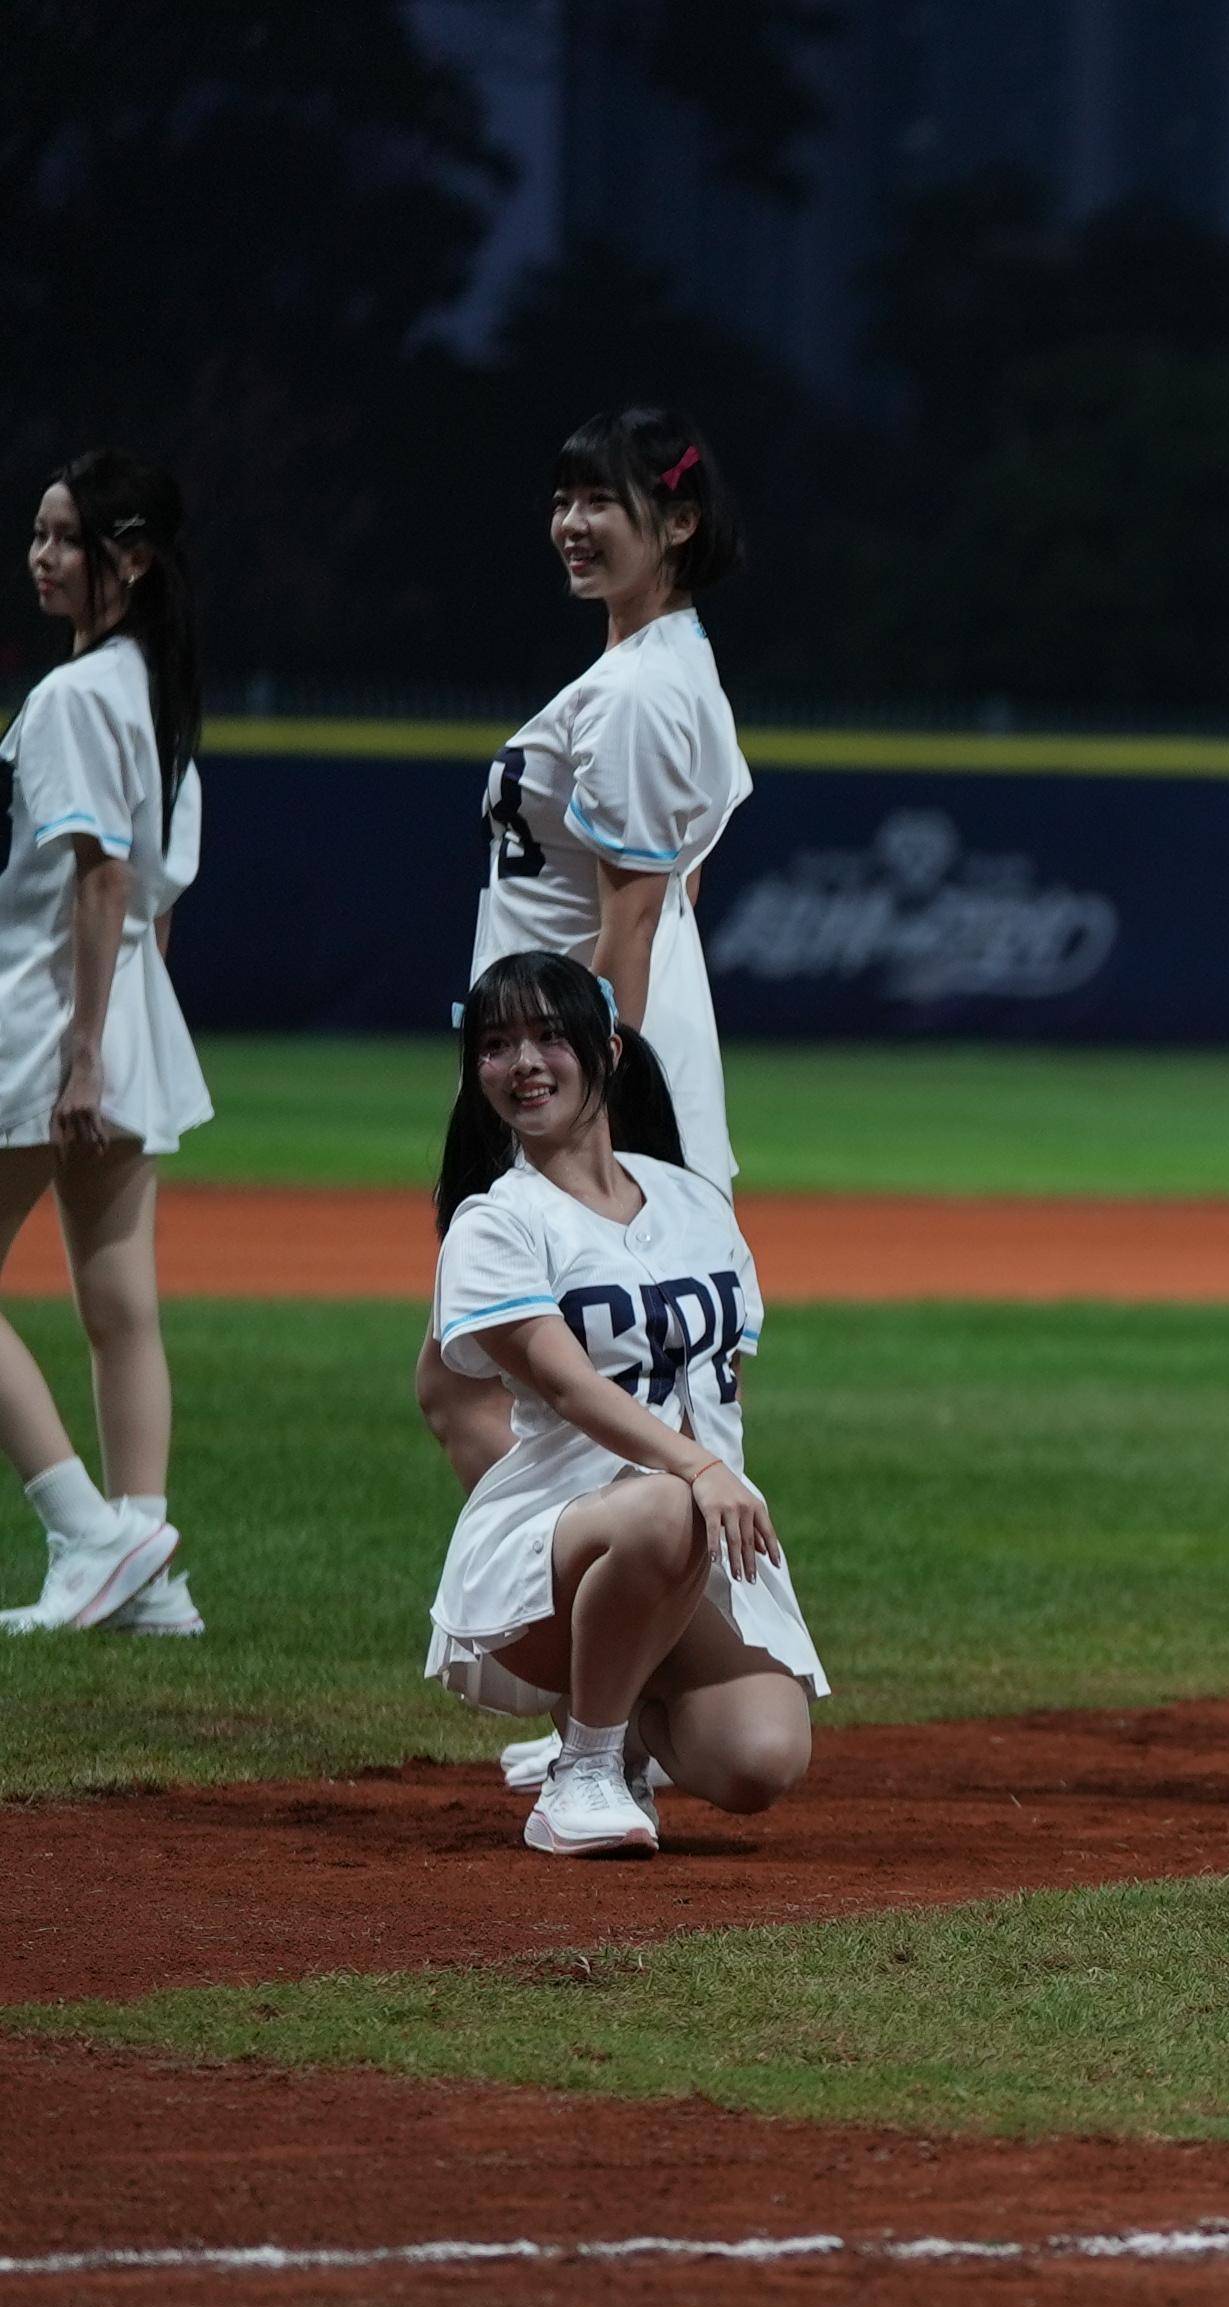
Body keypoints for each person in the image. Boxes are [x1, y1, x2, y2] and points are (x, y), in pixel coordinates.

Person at [418, 405, 753, 1506]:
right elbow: (682, 877)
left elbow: (635, 922)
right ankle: (613, 1599)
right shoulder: (659, 665)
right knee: (482, 1385)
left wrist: (593, 1112)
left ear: (679, 522)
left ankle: (664, 1601)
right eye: (563, 499)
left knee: (590, 1403)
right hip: (569, 1069)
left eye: (603, 500)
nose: (571, 522)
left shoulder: (637, 691)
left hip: (582, 1084)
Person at [425, 950, 823, 1860]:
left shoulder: (693, 1201)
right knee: (664, 1504)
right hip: (552, 1555)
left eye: (548, 1037)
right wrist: (699, 1469)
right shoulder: (495, 1223)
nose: (522, 1062)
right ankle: (584, 1769)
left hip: (690, 1546)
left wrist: (708, 1471)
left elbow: (723, 1376)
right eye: (495, 1045)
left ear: (606, 1048)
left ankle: (625, 1719)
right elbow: (567, 1384)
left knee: (759, 1760)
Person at [0, 449, 212, 1636]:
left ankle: (87, 1533)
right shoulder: (157, 694)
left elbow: (103, 876)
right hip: (128, 1004)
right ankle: (147, 1573)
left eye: (65, 537)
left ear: (129, 559)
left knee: (115, 1299)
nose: (41, 555)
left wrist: (82, 1053)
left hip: (51, 1009)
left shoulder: (77, 695)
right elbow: (154, 902)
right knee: (120, 1301)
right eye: (38, 533)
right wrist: (123, 1037)